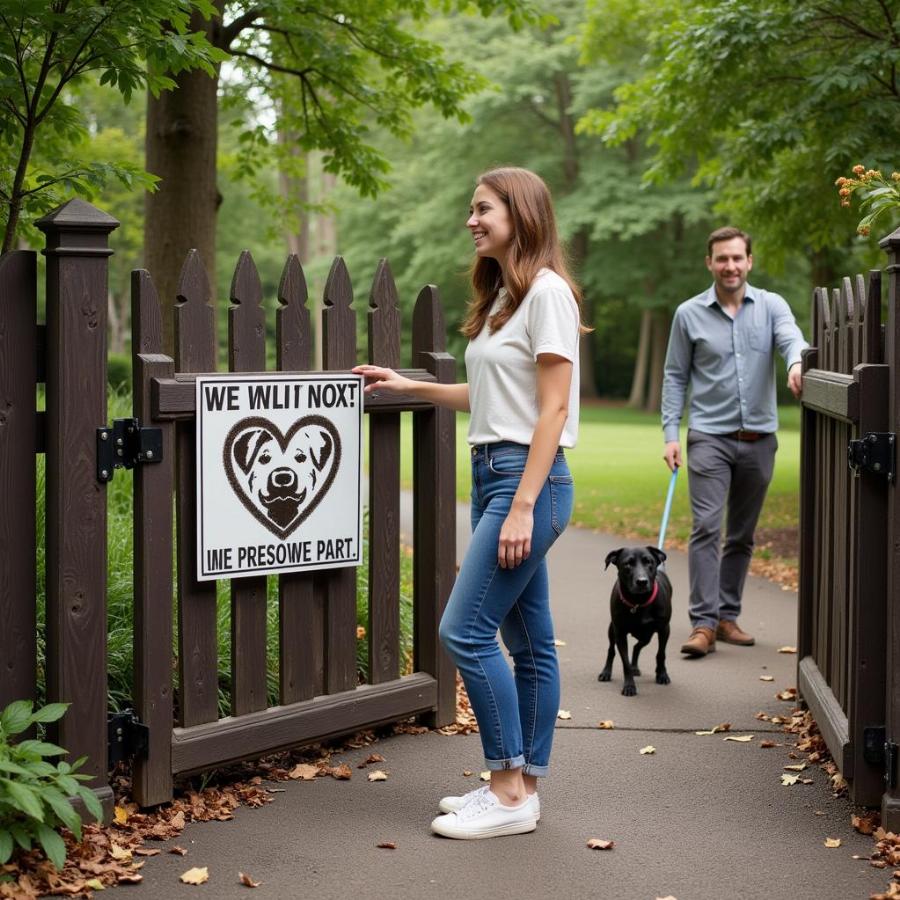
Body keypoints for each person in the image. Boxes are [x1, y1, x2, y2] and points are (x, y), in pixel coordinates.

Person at [353, 167, 586, 840]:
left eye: (482, 208)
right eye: (471, 209)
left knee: (465, 631)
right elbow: (490, 399)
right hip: (496, 472)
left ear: (521, 212)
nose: (471, 220)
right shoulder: (504, 302)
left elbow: (553, 410)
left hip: (524, 481)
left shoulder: (547, 295)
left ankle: (507, 788)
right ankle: (522, 787)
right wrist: (409, 384)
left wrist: (521, 506)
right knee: (530, 642)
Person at [661, 226, 807, 658]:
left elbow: (791, 337)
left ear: (749, 261)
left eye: (737, 258)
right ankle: (702, 625)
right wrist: (671, 433)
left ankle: (727, 617)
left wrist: (796, 362)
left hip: (760, 438)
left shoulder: (772, 306)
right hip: (709, 436)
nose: (730, 266)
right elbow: (674, 376)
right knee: (707, 527)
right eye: (721, 258)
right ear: (710, 263)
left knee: (742, 535)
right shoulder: (688, 314)